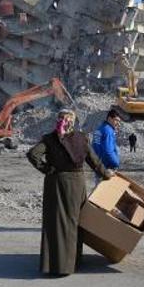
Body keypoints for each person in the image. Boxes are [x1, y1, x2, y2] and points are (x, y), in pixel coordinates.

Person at [27, 109, 113, 276]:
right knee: (75, 222)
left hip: (56, 184)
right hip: (76, 185)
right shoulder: (82, 138)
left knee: (56, 224)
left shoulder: (50, 139)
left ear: (58, 120)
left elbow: (32, 154)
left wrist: (47, 169)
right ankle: (73, 262)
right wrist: (106, 174)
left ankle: (55, 265)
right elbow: (94, 161)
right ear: (73, 122)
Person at [92, 109, 121, 183]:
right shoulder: (108, 131)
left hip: (99, 166)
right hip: (107, 167)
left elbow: (94, 147)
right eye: (116, 120)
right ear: (109, 118)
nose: (118, 123)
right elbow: (108, 151)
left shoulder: (99, 129)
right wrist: (116, 163)